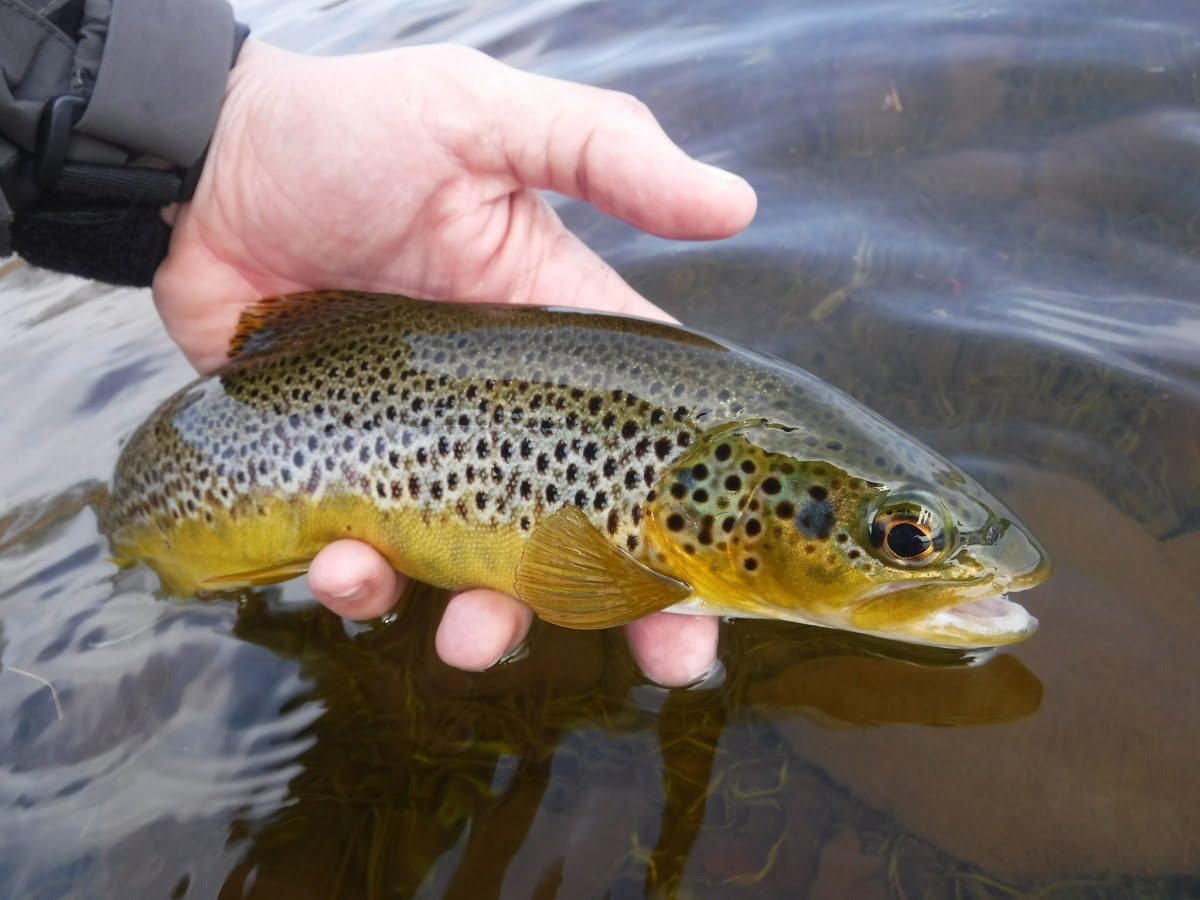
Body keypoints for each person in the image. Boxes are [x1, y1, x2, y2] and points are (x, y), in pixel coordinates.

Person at [0, 0, 757, 686]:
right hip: (171, 484)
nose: (885, 561)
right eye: (885, 538)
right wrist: (206, 132)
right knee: (152, 571)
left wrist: (216, 134)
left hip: (203, 440)